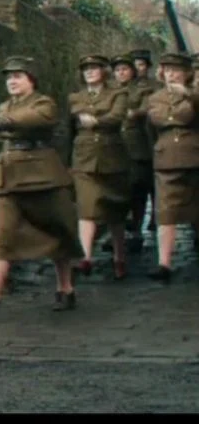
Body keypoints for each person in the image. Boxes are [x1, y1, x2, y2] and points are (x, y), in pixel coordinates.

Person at [0, 56, 82, 315]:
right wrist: (7, 125)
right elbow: (2, 132)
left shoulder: (43, 103)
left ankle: (66, 288)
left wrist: (7, 124)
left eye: (18, 76)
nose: (12, 81)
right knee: (2, 237)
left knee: (58, 232)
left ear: (31, 80)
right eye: (9, 77)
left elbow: (37, 119)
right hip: (9, 176)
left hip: (43, 177)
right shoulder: (3, 106)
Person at [68, 55, 131, 278]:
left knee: (115, 212)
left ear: (104, 71)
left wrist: (95, 120)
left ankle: (119, 258)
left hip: (112, 158)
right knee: (86, 209)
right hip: (84, 159)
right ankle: (85, 258)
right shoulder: (76, 97)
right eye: (86, 69)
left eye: (94, 68)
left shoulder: (118, 93)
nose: (90, 72)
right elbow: (74, 123)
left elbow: (117, 117)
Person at [144, 52, 199, 283]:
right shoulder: (155, 98)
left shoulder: (194, 95)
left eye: (176, 70)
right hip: (166, 156)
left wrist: (188, 95)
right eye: (167, 70)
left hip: (195, 156)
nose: (171, 74)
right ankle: (164, 262)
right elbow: (153, 126)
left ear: (187, 73)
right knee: (165, 212)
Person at [114, 53, 155, 254]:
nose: (121, 73)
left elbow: (145, 109)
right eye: (118, 70)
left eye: (125, 69)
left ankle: (136, 230)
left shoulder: (143, 89)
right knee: (116, 193)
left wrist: (132, 113)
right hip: (113, 148)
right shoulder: (109, 90)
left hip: (137, 147)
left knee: (137, 190)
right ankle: (117, 234)